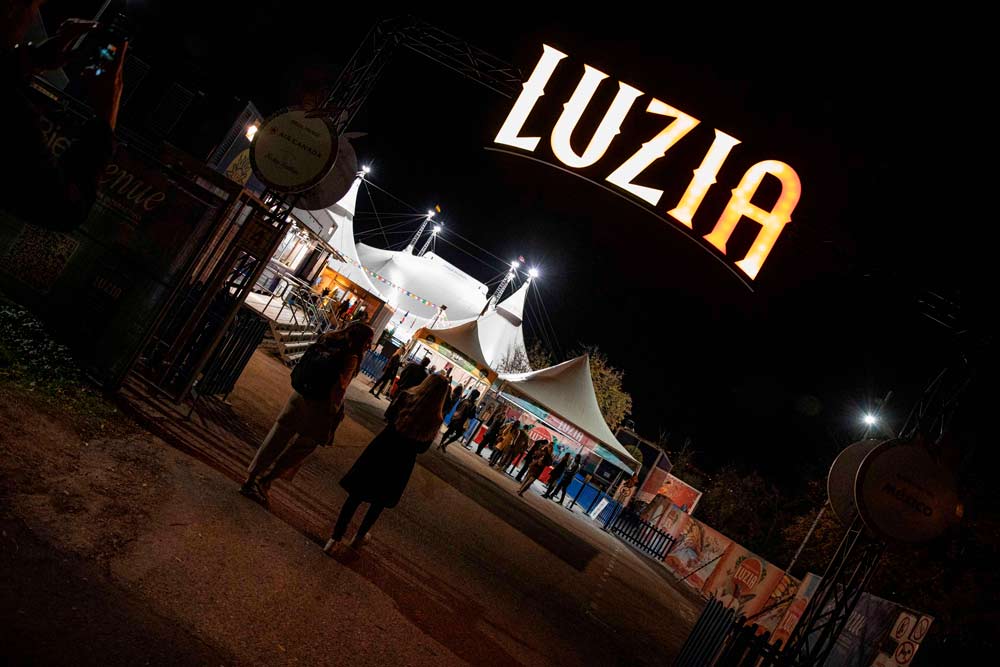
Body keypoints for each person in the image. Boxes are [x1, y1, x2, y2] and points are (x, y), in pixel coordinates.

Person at [1, 3, 125, 231]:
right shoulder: (14, 113)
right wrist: (105, 118)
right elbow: (62, 208)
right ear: (11, 10)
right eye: (33, 5)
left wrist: (33, 59)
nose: (33, 17)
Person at [240, 322, 374, 505]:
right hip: (320, 405)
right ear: (360, 340)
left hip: (300, 395)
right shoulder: (351, 356)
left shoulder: (327, 338)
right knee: (303, 447)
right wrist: (335, 410)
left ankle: (251, 478)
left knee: (277, 436)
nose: (369, 346)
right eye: (368, 341)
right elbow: (340, 386)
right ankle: (267, 480)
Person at [324, 373, 450, 553]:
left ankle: (335, 538)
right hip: (402, 461)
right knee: (379, 502)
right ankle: (358, 537)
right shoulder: (436, 419)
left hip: (382, 448)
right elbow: (422, 449)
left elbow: (389, 415)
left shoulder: (406, 397)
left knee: (356, 495)